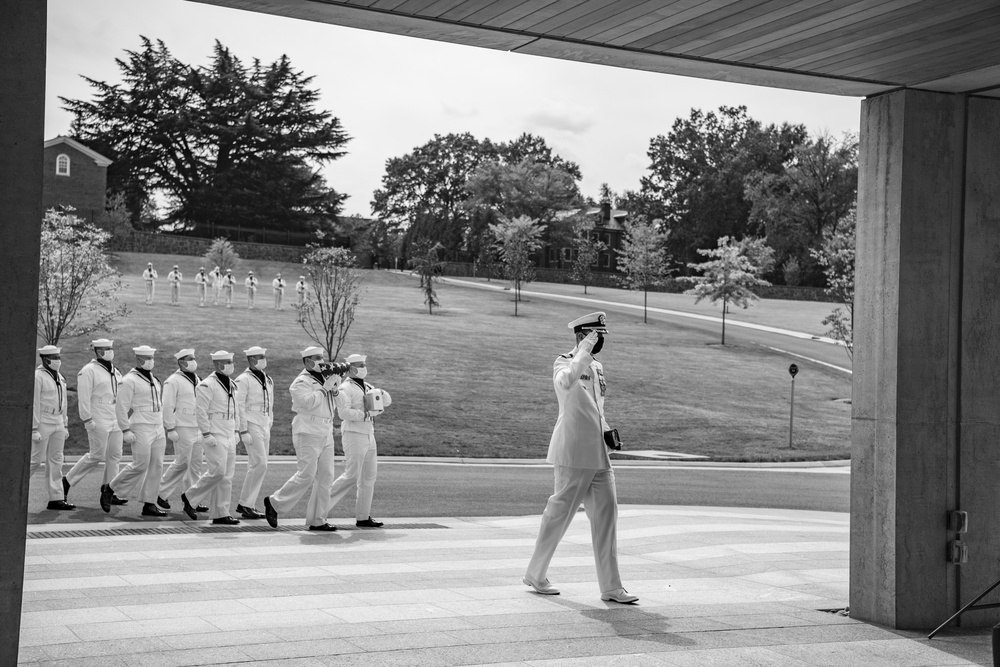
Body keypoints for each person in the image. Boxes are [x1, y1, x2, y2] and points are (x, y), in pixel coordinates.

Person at [523, 312, 638, 604]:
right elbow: (565, 383)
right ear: (582, 336)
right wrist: (583, 352)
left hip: (598, 452)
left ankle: (611, 587)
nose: (600, 342)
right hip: (573, 452)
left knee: (607, 518)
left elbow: (595, 407)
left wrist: (608, 430)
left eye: (601, 337)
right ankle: (535, 574)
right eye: (596, 336)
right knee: (559, 514)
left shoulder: (596, 366)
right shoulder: (565, 362)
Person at [264, 346, 345, 531]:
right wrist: (324, 389)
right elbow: (307, 403)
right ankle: (274, 503)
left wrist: (335, 389)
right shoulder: (300, 382)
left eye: (322, 357)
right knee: (306, 474)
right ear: (308, 361)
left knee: (326, 477)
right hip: (307, 430)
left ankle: (318, 520)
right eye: (317, 358)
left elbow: (339, 404)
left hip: (325, 431)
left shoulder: (325, 379)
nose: (322, 361)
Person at [103, 345, 168, 517]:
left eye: (152, 358)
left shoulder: (154, 379)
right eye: (147, 358)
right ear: (139, 360)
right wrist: (125, 429)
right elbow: (121, 407)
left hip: (157, 426)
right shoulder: (129, 380)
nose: (151, 361)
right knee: (140, 464)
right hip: (141, 426)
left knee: (157, 465)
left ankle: (149, 503)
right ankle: (110, 488)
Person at [328, 353, 392, 528]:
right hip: (354, 434)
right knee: (351, 475)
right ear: (350, 368)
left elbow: (387, 401)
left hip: (369, 435)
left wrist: (381, 393)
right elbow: (343, 413)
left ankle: (363, 517)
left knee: (368, 478)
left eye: (364, 364)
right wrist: (366, 415)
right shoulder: (345, 388)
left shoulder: (368, 386)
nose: (364, 367)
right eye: (360, 365)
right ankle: (320, 508)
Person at [180, 351, 243, 525]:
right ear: (217, 364)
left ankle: (220, 513)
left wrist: (237, 430)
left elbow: (236, 409)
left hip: (229, 432)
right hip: (215, 432)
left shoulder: (232, 384)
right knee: (218, 471)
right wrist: (206, 433)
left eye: (231, 361)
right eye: (226, 362)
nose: (231, 364)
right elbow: (200, 410)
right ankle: (189, 497)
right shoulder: (207, 385)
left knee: (227, 476)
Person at [62, 339, 126, 507]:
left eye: (111, 348)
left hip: (115, 417)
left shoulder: (115, 370)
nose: (111, 351)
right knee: (97, 454)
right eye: (107, 349)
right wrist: (87, 418)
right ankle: (67, 481)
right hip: (98, 417)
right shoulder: (88, 371)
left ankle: (109, 490)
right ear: (98, 352)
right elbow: (83, 397)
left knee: (115, 456)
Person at [156, 349, 208, 514]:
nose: (193, 361)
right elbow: (167, 405)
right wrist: (170, 427)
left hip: (198, 426)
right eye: (189, 359)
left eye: (194, 358)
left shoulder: (198, 379)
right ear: (181, 362)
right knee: (182, 462)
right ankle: (160, 493)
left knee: (195, 466)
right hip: (182, 426)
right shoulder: (173, 381)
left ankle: (193, 499)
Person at [32, 345, 75, 511]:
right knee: (34, 460)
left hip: (57, 420)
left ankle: (56, 498)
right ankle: (10, 491)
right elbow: (35, 403)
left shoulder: (59, 377)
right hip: (43, 420)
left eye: (59, 357)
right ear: (46, 359)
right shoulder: (38, 377)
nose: (58, 360)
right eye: (55, 357)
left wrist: (64, 424)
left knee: (57, 460)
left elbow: (63, 402)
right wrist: (34, 428)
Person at [234, 346, 273, 519]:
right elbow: (239, 405)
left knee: (259, 465)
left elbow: (270, 403)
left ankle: (248, 504)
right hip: (251, 423)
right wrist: (243, 429)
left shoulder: (268, 378)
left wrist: (270, 420)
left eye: (264, 356)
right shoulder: (243, 379)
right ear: (250, 360)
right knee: (260, 463)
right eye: (259, 357)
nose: (263, 359)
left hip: (264, 423)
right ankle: (245, 504)